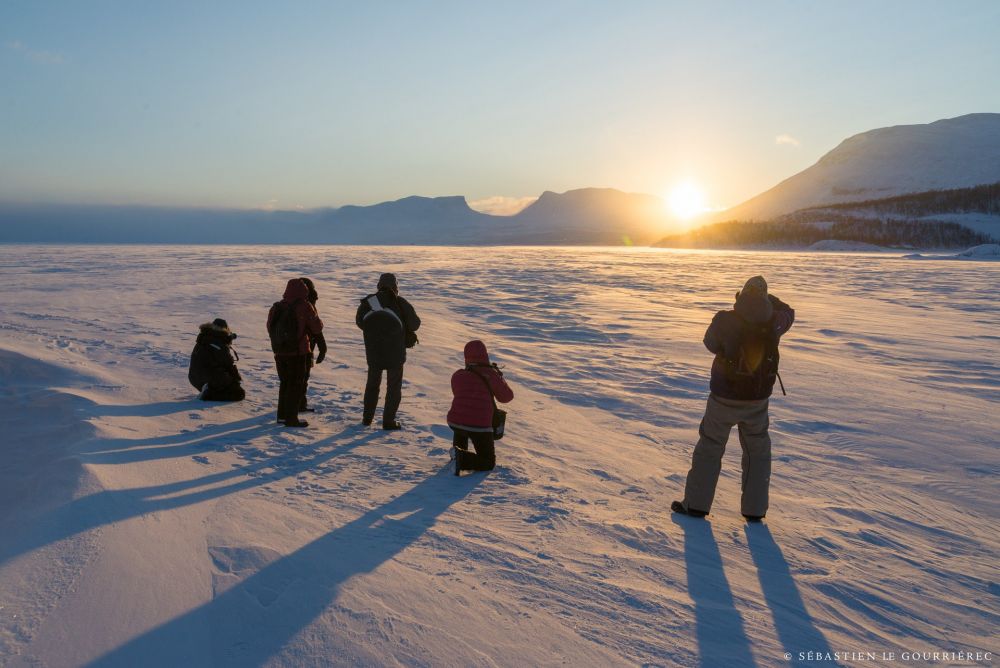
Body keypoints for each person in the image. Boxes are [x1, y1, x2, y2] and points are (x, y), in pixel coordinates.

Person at [672, 276, 795, 522]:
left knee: (710, 447)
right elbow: (789, 313)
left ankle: (696, 505)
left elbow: (710, 343)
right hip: (758, 401)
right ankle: (755, 510)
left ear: (741, 295)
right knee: (757, 453)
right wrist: (769, 302)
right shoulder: (774, 321)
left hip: (723, 397)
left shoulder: (725, 319)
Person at [355, 272, 420, 429]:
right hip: (395, 352)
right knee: (394, 387)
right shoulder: (400, 302)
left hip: (374, 351)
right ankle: (388, 421)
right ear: (396, 287)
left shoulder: (370, 301)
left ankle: (367, 419)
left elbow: (360, 322)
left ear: (379, 286)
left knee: (372, 385)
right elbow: (415, 324)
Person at [447, 340, 513, 472]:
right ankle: (461, 458)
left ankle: (458, 453)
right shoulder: (491, 375)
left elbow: (459, 394)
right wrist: (499, 377)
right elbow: (507, 397)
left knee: (462, 425)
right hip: (480, 425)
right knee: (488, 463)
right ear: (485, 355)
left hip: (455, 421)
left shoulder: (458, 375)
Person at [267, 278, 324, 428]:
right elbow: (317, 327)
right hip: (298, 353)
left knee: (285, 384)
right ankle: (291, 418)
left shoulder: (277, 307)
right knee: (296, 384)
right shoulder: (305, 306)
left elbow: (270, 327)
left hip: (280, 353)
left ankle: (282, 416)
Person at [188, 318, 245, 401]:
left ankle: (209, 390)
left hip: (194, 378)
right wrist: (235, 381)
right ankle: (208, 395)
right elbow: (228, 364)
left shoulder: (204, 338)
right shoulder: (218, 342)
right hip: (209, 378)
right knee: (239, 394)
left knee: (223, 384)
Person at [298, 277, 328, 413]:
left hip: (288, 346)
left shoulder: (288, 302)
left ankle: (291, 404)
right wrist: (323, 348)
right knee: (302, 377)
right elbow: (316, 328)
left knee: (292, 378)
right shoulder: (308, 303)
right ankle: (299, 404)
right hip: (306, 346)